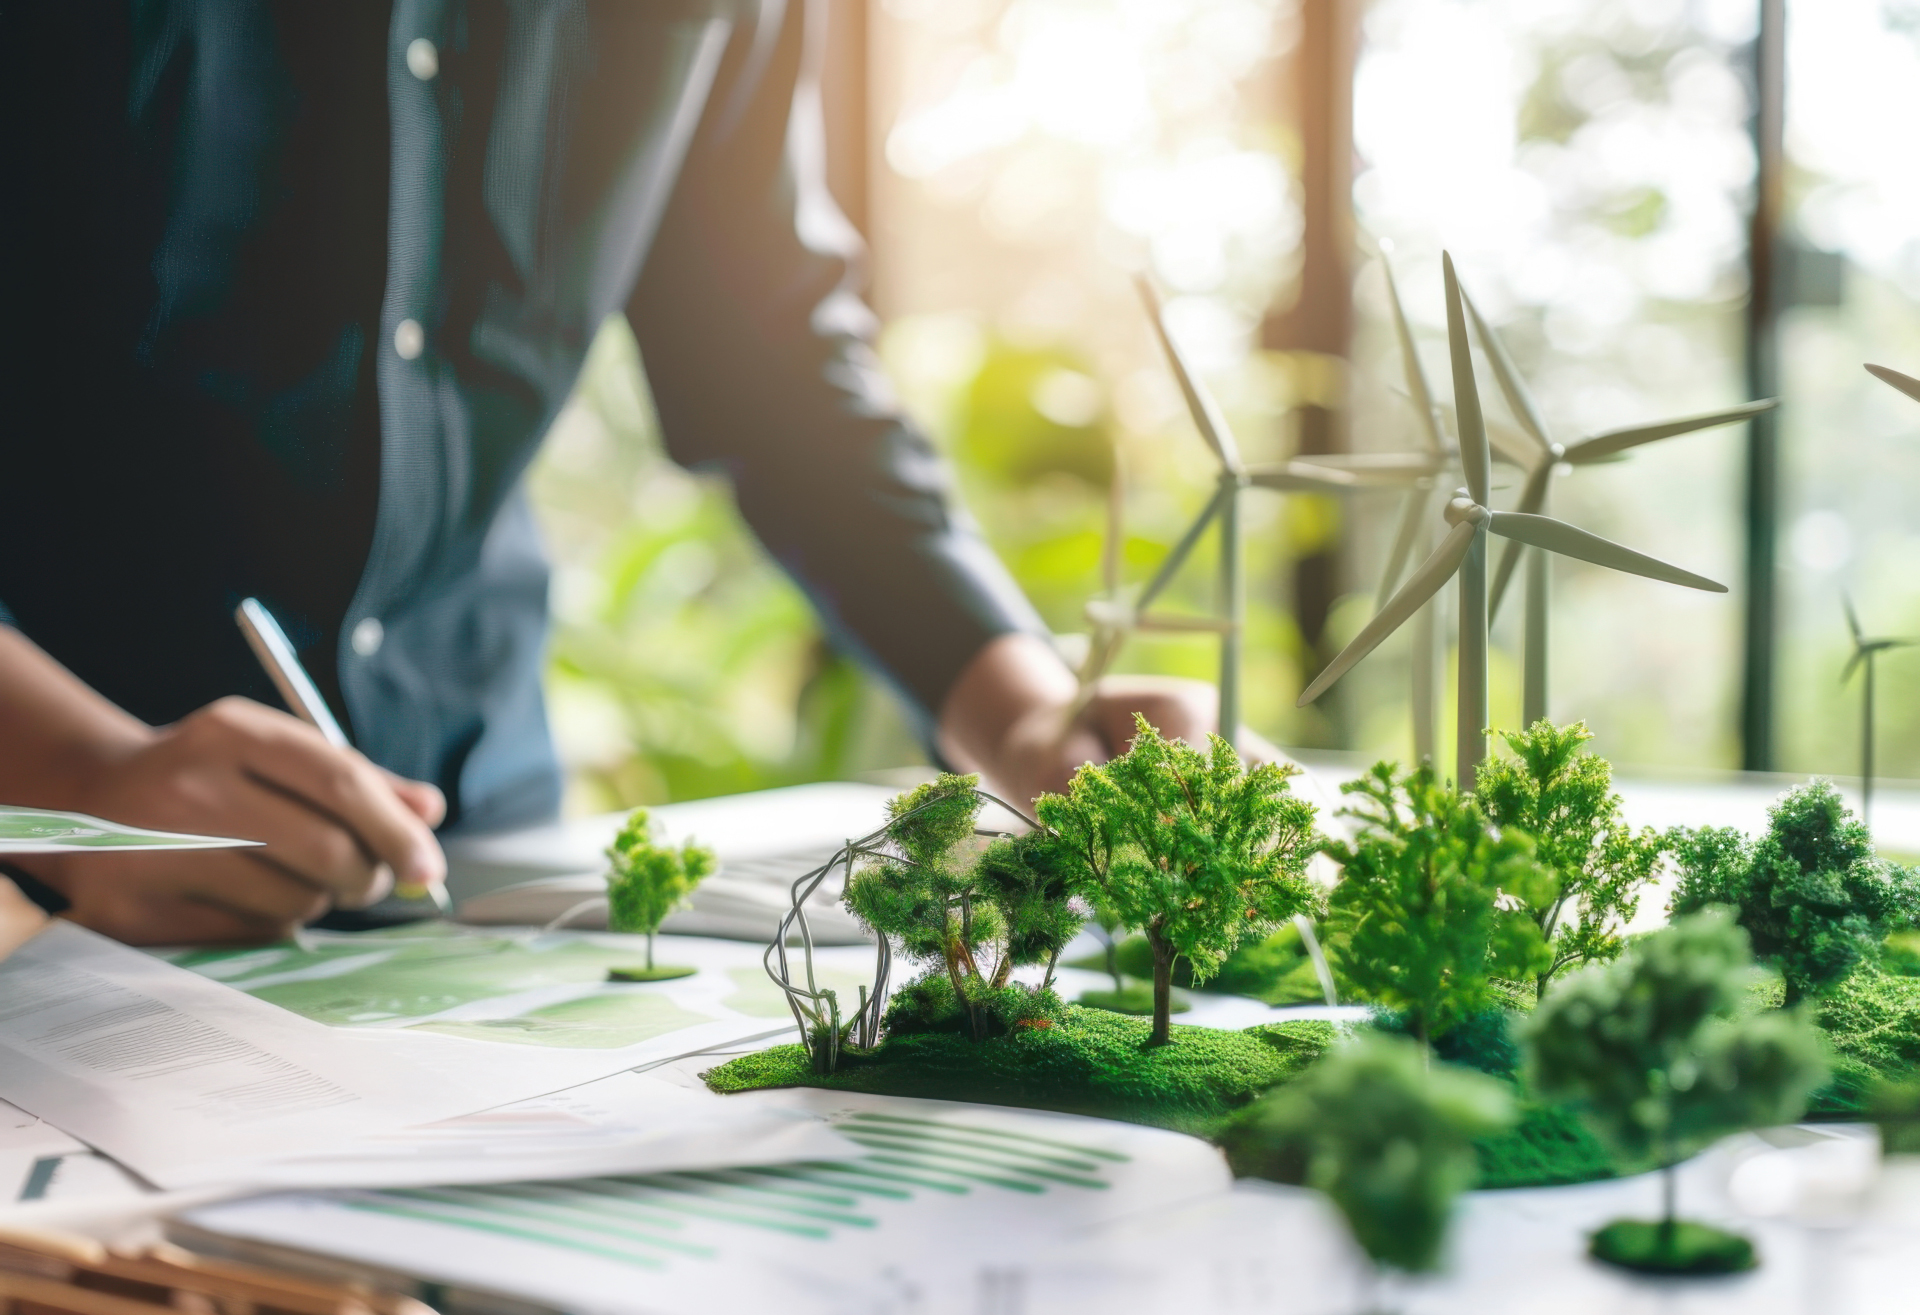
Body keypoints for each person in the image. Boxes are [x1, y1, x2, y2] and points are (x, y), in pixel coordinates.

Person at [0, 1, 1226, 946]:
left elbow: (773, 361)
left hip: (477, 843)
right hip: (33, 876)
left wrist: (1020, 710)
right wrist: (75, 779)